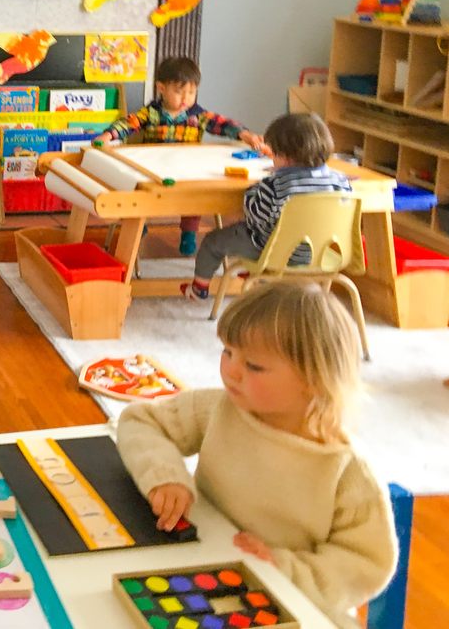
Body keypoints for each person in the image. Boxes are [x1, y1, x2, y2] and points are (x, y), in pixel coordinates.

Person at [117, 282, 397, 628]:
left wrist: (281, 566)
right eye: (228, 352)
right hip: (209, 569)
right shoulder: (221, 407)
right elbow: (141, 420)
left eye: (254, 366)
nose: (231, 371)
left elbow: (367, 563)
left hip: (295, 605)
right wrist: (164, 476)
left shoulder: (347, 468)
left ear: (314, 379)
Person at [96, 57, 268, 255]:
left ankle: (189, 232)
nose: (186, 98)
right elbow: (129, 123)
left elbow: (223, 124)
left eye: (192, 92)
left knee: (193, 196)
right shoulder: (152, 113)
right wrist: (109, 134)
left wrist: (244, 134)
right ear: (161, 88)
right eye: (179, 92)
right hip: (155, 169)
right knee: (138, 190)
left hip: (185, 170)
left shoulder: (197, 115)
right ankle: (138, 221)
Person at [182, 112, 352, 300]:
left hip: (276, 252)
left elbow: (255, 215)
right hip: (320, 254)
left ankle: (199, 288)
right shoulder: (340, 181)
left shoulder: (276, 185)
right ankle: (258, 273)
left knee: (213, 241)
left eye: (274, 154)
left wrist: (255, 189)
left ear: (285, 157)